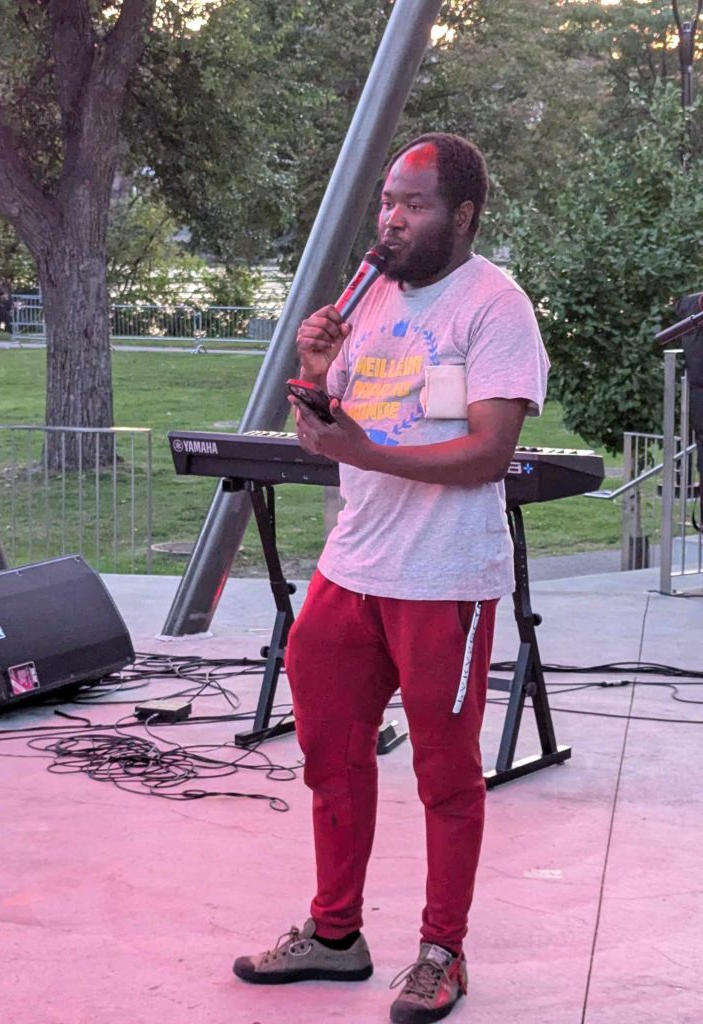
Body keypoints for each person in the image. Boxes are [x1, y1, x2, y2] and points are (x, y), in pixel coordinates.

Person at [232, 133, 549, 1023]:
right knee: (330, 757)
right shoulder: (367, 296)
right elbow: (331, 429)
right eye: (386, 202)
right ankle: (336, 935)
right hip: (352, 564)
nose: (391, 220)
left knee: (445, 776)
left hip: (442, 577)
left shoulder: (494, 306)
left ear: (463, 215)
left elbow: (488, 453)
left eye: (413, 204)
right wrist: (313, 373)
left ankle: (441, 953)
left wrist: (363, 449)